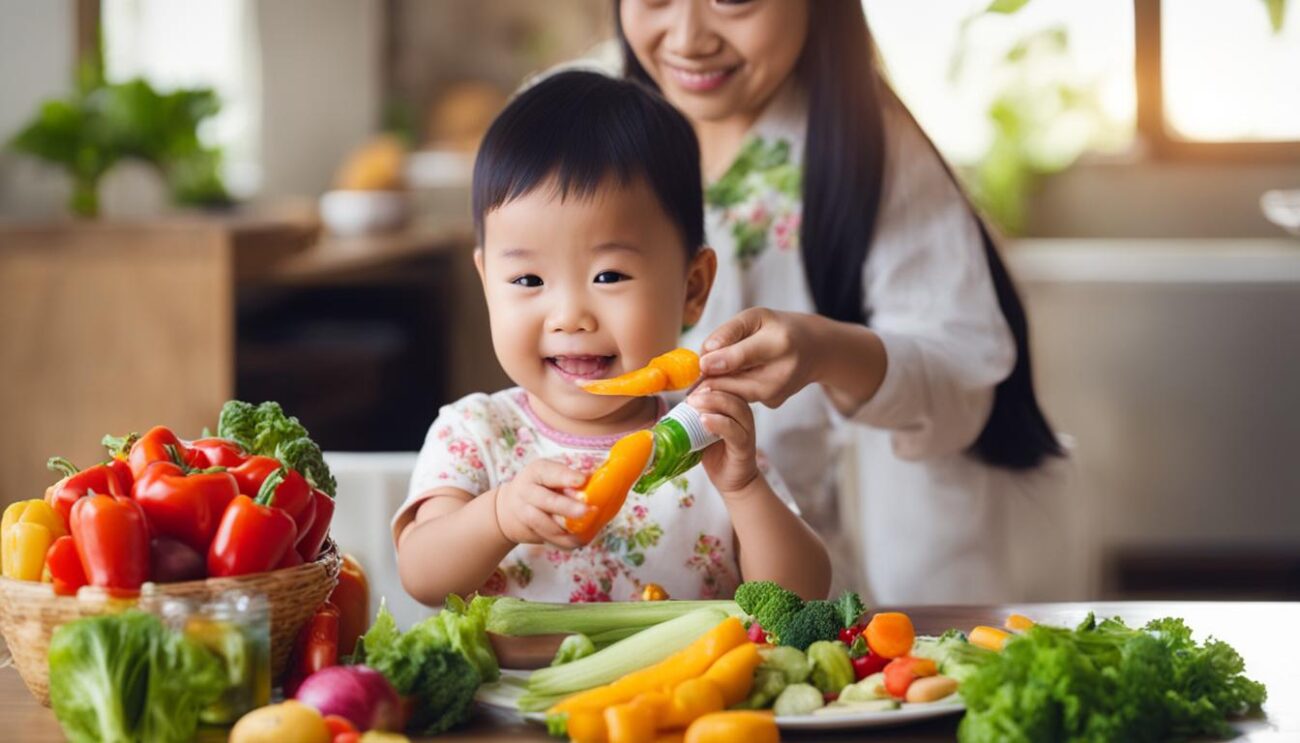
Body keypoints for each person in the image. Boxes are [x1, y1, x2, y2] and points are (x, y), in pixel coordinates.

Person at [613, 0, 1075, 602]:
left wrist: (826, 351)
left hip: (855, 581)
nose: (688, 37)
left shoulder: (870, 148)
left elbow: (960, 383)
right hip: (660, 581)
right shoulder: (595, 125)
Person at [392, 70, 831, 606]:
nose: (570, 316)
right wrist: (498, 516)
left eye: (609, 276)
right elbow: (421, 574)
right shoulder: (477, 433)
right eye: (528, 280)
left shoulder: (705, 437)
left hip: (687, 690)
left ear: (693, 288)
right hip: (515, 693)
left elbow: (802, 598)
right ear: (488, 285)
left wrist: (743, 489)